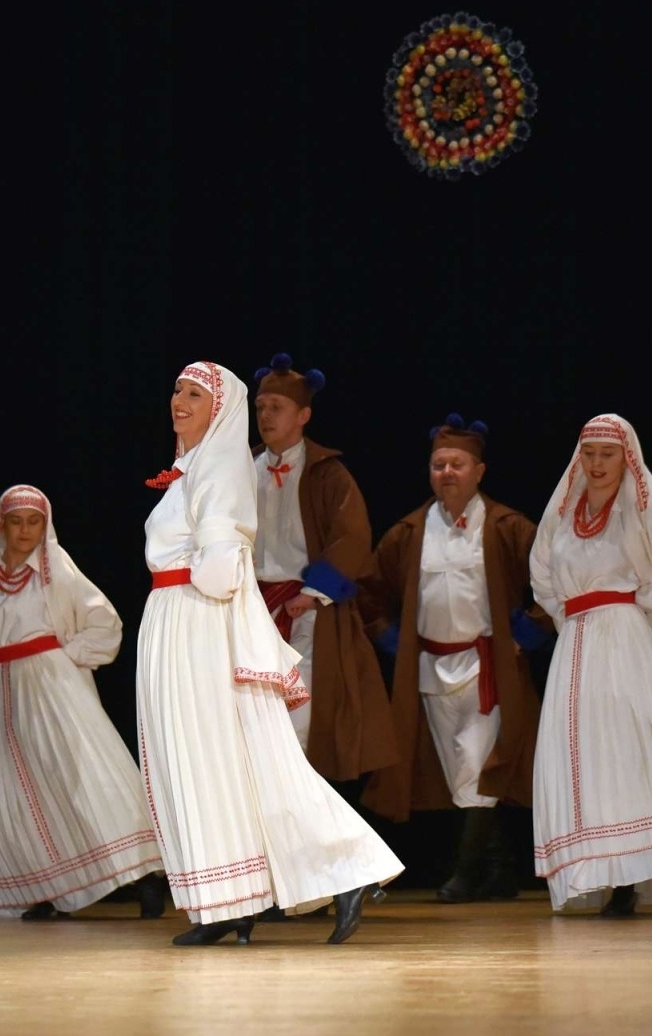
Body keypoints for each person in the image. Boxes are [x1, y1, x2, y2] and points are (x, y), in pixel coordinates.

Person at [137, 361, 403, 947]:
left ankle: (348, 868)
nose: (179, 401)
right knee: (208, 765)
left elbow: (221, 565)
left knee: (239, 757)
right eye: (177, 390)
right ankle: (230, 902)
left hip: (198, 622)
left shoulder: (223, 472)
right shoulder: (197, 470)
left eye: (195, 394)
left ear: (220, 409)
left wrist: (193, 590)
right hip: (178, 618)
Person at [0, 484, 167, 920]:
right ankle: (44, 886)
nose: (25, 530)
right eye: (17, 521)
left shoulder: (58, 572)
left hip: (51, 689)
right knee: (5, 788)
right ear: (3, 525)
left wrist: (64, 661)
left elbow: (104, 622)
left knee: (80, 778)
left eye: (34, 522)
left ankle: (144, 876)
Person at [361, 414, 550, 903]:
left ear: (479, 471)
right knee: (455, 771)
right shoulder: (407, 532)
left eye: (458, 464)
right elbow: (369, 591)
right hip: (430, 670)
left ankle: (463, 873)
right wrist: (393, 643)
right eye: (439, 464)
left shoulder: (509, 527)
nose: (447, 472)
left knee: (476, 767)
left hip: (487, 668)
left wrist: (524, 635)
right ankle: (500, 870)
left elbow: (554, 577)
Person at [529, 414, 652, 916]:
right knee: (581, 751)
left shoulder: (642, 510)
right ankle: (594, 868)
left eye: (607, 454)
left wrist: (643, 601)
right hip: (577, 640)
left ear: (626, 457)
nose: (597, 464)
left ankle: (632, 876)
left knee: (628, 745)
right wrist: (568, 614)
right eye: (589, 454)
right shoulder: (564, 513)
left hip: (626, 638)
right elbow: (541, 571)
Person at [249, 352, 397, 783]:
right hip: (253, 609)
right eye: (260, 407)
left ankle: (302, 819)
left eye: (276, 407)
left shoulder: (326, 474)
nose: (265, 415)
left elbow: (352, 536)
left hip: (303, 611)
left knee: (301, 716)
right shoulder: (245, 468)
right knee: (255, 715)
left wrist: (311, 593)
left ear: (304, 415)